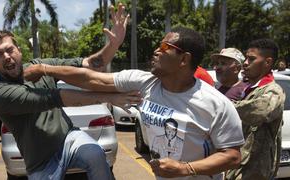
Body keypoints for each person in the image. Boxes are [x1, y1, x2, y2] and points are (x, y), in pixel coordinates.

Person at [24, 26, 245, 180]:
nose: (156, 51)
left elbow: (233, 156)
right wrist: (45, 69)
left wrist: (185, 169)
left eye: (165, 47)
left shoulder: (215, 104)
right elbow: (90, 78)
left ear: (184, 59)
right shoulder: (144, 82)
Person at [0, 4, 141, 180]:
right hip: (40, 162)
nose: (6, 56)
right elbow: (57, 98)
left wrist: (114, 44)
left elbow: (90, 64)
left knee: (95, 154)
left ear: (19, 50)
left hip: (68, 139)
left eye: (9, 49)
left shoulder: (39, 66)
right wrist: (110, 97)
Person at [225, 39, 285, 180]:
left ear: (268, 62)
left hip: (255, 171)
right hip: (238, 167)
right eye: (246, 58)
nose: (245, 63)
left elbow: (259, 111)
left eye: (251, 59)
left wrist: (223, 104)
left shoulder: (273, 90)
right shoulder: (250, 88)